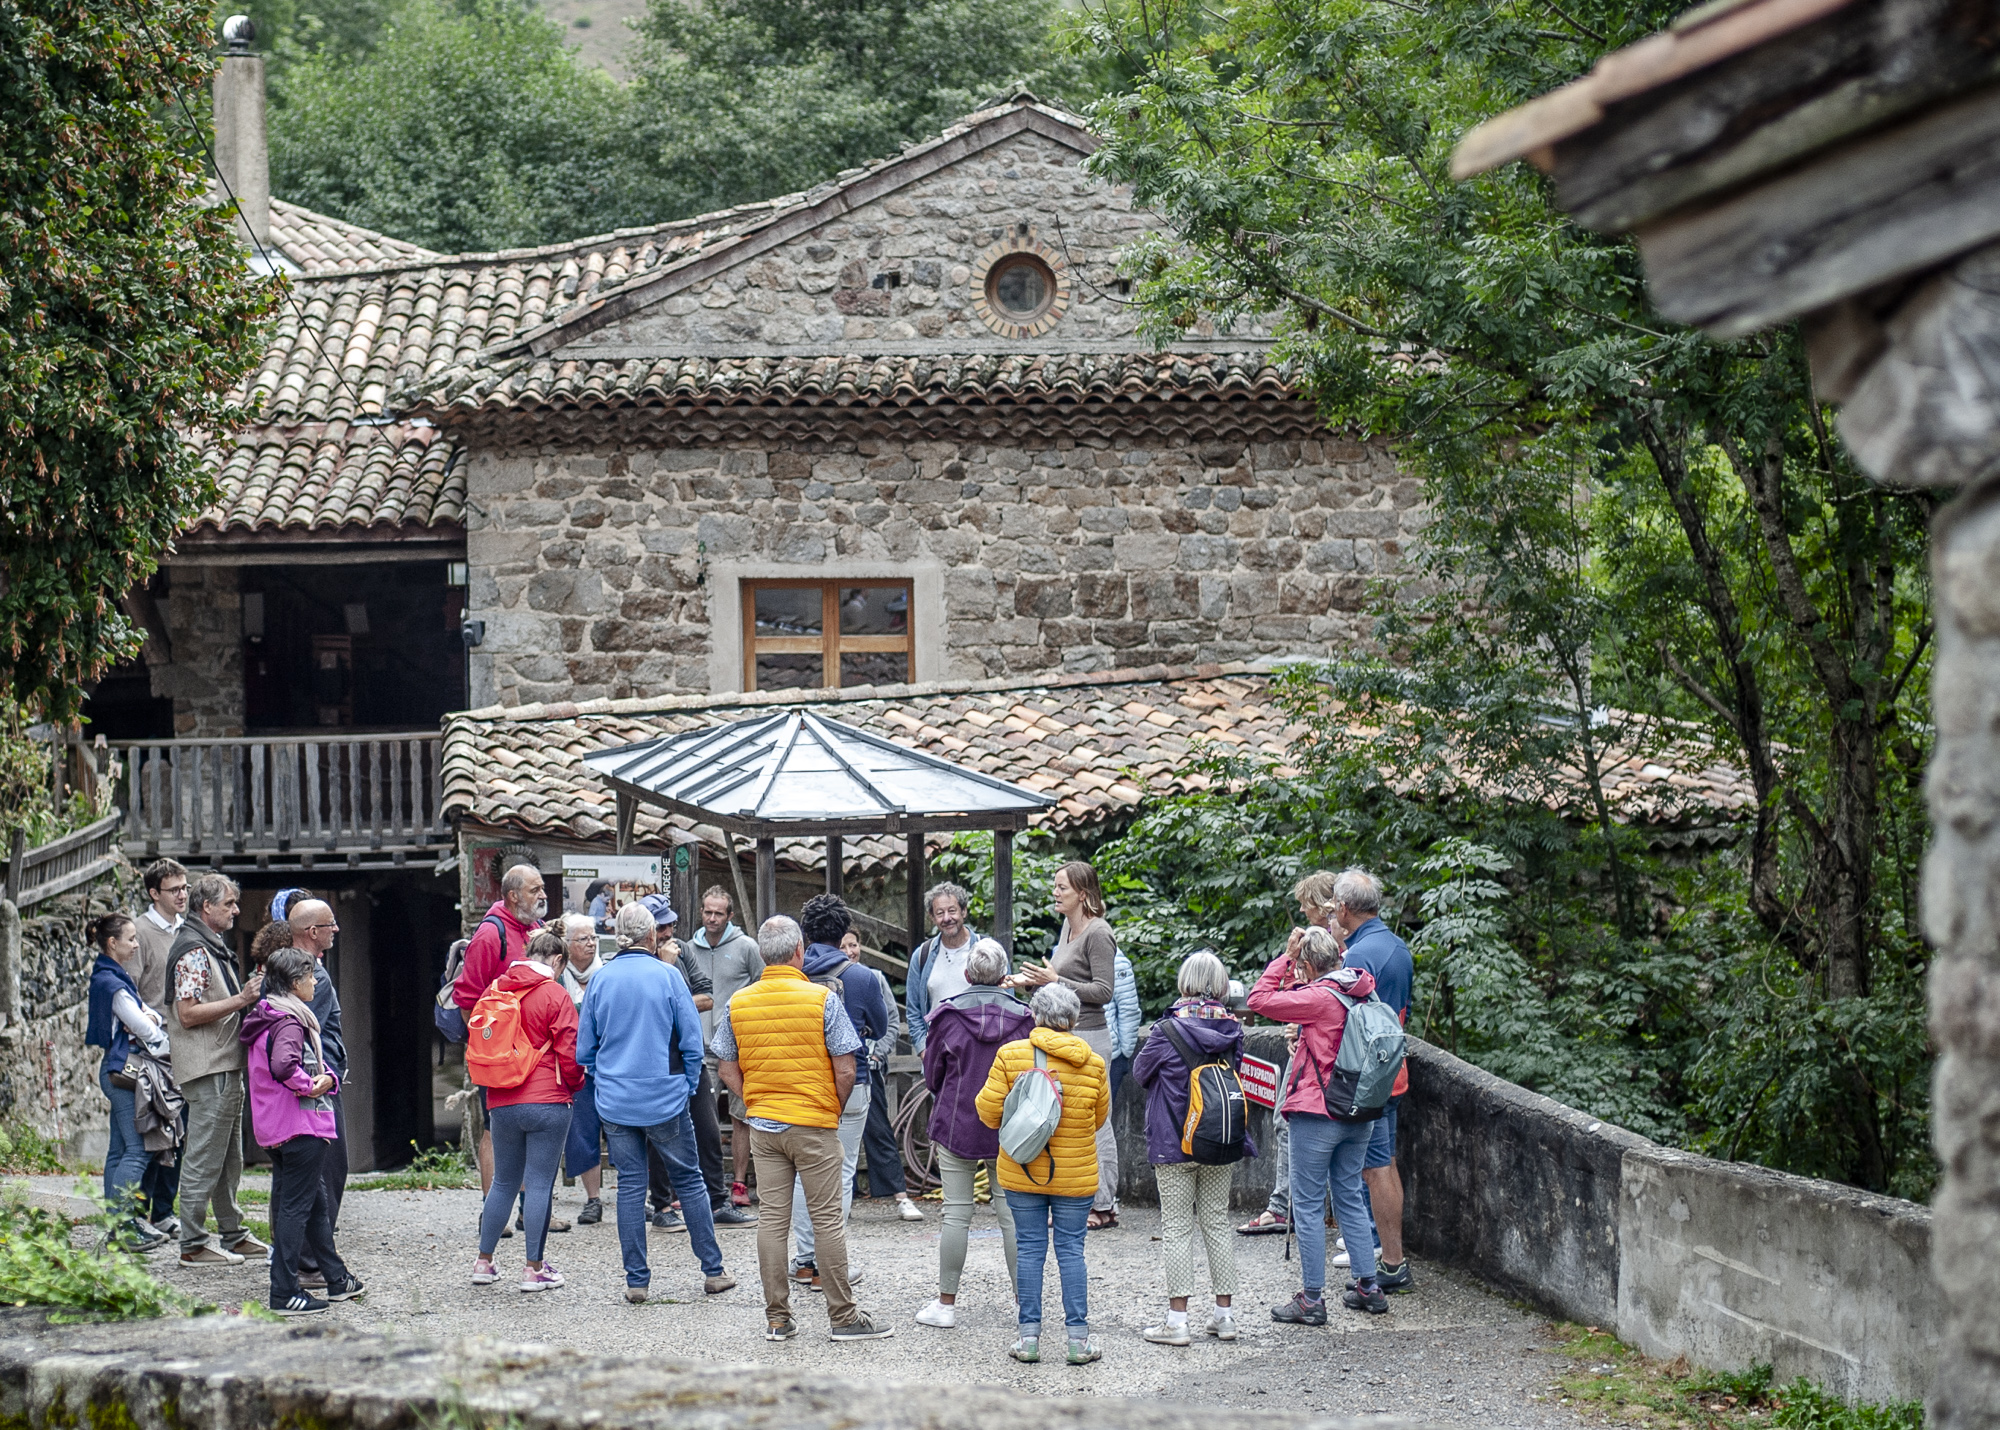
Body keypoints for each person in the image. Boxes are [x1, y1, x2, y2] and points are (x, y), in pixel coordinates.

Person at [712, 914, 893, 1342]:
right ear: (798, 952)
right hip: (813, 1122)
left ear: (761, 954)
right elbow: (847, 1067)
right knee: (827, 1220)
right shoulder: (822, 999)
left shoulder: (739, 1002)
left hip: (765, 1126)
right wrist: (829, 1107)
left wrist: (754, 1100)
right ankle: (843, 1317)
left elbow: (725, 1066)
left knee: (772, 1220)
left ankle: (778, 1319)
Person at [578, 901, 735, 1305]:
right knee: (689, 1179)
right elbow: (690, 1040)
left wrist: (605, 1079)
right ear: (651, 936)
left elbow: (586, 1050)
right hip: (664, 1096)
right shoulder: (668, 976)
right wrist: (683, 1086)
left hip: (615, 1099)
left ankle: (637, 1281)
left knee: (630, 1186)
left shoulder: (600, 979)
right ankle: (713, 1271)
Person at [1248, 925, 1389, 1320]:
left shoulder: (1317, 997)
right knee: (1347, 1194)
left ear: (1308, 966)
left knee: (1307, 1204)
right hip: (1361, 1110)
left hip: (1318, 1111)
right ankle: (1368, 1287)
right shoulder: (1362, 990)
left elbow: (1260, 999)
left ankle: (1311, 1298)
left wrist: (1285, 959)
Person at [975, 984, 1110, 1365]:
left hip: (1022, 1171)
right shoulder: (1094, 1063)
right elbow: (1099, 1120)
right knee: (1071, 1251)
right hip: (1076, 1176)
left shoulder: (1011, 1055)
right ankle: (1078, 1341)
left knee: (1030, 1249)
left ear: (1035, 1015)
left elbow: (987, 1113)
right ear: (1073, 1019)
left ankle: (1029, 1339)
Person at [915, 936, 1030, 1329]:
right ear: (1004, 975)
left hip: (957, 1123)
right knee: (1012, 1218)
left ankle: (946, 1305)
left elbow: (932, 1076)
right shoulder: (1025, 1018)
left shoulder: (947, 1018)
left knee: (956, 1215)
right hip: (1010, 1129)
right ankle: (1024, 1304)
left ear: (966, 973)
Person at [1134, 950, 1248, 1345]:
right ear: (1220, 986)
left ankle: (1177, 1323)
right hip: (1219, 1139)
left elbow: (1139, 1073)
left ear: (1184, 983)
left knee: (1178, 1227)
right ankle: (1225, 1317)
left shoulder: (1166, 1031)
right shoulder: (1233, 1030)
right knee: (1217, 1223)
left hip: (1173, 1141)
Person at [240, 946, 361, 1315]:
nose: (315, 982)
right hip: (300, 1126)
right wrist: (315, 1084)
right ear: (295, 983)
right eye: (310, 977)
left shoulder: (267, 1012)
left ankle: (337, 1279)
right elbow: (284, 1065)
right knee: (295, 1209)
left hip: (274, 1126)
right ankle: (284, 1292)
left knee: (316, 1205)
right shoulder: (291, 1020)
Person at [470, 929, 584, 1293]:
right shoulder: (555, 993)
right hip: (547, 1100)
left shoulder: (496, 990)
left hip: (500, 1099)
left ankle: (484, 1262)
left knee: (504, 1181)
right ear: (556, 961)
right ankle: (534, 1269)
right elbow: (570, 1052)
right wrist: (574, 1085)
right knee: (538, 1183)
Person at [1008, 862, 1120, 1228]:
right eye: (1055, 887)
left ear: (1083, 894)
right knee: (1066, 1119)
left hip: (1090, 1035)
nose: (1055, 893)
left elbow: (1103, 992)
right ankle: (1076, 1197)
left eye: (1062, 888)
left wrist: (1057, 979)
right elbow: (1063, 981)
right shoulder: (1067, 928)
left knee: (1095, 1122)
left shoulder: (1098, 933)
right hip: (1066, 1033)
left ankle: (1104, 1203)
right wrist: (1031, 982)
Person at [788, 894, 892, 1287]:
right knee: (842, 1172)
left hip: (801, 1084)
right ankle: (831, 1265)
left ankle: (804, 1261)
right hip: (853, 1085)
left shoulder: (793, 974)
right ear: (842, 932)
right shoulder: (861, 977)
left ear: (806, 933)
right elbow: (880, 1029)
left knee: (802, 1173)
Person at [167, 873, 267, 1268]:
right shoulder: (194, 950)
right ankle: (192, 1244)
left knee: (228, 1160)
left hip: (221, 1064)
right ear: (206, 907)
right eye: (228, 904)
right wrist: (241, 998)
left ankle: (233, 1234)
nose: (236, 910)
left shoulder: (207, 945)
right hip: (209, 1068)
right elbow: (187, 1014)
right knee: (204, 1158)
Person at [1238, 871, 1345, 1238]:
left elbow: (1264, 999)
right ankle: (1295, 1206)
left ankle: (1290, 1207)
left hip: (1317, 1066)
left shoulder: (1330, 949)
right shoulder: (1332, 955)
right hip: (1313, 1053)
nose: (1301, 910)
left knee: (1291, 1126)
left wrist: (1287, 958)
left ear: (1322, 905)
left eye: (1305, 903)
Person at [1326, 868, 1415, 1292]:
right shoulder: (1397, 947)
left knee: (1374, 1167)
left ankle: (1393, 1264)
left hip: (1366, 1076)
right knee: (1386, 1162)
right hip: (1391, 1068)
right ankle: (1392, 1259)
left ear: (1343, 908)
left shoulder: (1359, 956)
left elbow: (1343, 1020)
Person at [641, 893, 751, 1229]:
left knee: (706, 1128)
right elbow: (649, 1006)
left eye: (671, 923)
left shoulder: (683, 950)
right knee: (659, 1132)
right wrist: (667, 970)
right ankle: (661, 1205)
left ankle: (718, 1202)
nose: (669, 931)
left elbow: (707, 996)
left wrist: (676, 998)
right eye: (662, 926)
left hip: (691, 1054)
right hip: (653, 1061)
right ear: (647, 929)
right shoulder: (636, 960)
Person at [451, 863, 545, 1195]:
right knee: (495, 1129)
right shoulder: (491, 934)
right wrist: (485, 1047)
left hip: (533, 1051)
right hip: (499, 1053)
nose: (543, 896)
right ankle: (495, 1214)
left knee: (534, 1129)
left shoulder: (538, 928)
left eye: (542, 888)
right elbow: (465, 999)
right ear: (512, 895)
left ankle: (532, 1212)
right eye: (535, 890)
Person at [85, 913, 172, 1248]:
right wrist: (153, 1024)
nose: (136, 944)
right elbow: (147, 1027)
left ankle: (116, 1224)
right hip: (125, 1072)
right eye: (132, 939)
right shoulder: (114, 983)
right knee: (137, 1150)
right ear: (113, 943)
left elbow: (141, 1015)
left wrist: (146, 1015)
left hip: (114, 1069)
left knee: (118, 1150)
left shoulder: (108, 976)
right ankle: (122, 1228)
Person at [286, 898, 349, 1286]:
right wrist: (323, 1077)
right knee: (329, 1170)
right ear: (313, 932)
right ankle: (310, 1263)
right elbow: (309, 1032)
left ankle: (301, 1257)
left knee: (305, 1175)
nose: (336, 929)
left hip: (309, 1081)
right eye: (330, 924)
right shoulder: (313, 977)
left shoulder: (287, 966)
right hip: (318, 1083)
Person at [688, 886, 763, 1209]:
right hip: (700, 1046)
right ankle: (702, 1183)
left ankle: (739, 1183)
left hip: (738, 1047)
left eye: (719, 913)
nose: (712, 918)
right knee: (697, 1117)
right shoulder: (689, 949)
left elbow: (763, 986)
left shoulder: (747, 947)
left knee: (740, 1115)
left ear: (731, 916)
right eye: (708, 911)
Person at [847, 928, 924, 1221]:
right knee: (837, 1139)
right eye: (843, 946)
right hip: (835, 1068)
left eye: (853, 944)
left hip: (869, 1065)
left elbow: (891, 1021)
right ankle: (845, 1199)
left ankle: (901, 1197)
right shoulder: (828, 980)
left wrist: (879, 1052)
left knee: (879, 1131)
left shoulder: (874, 978)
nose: (849, 951)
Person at [133, 858, 188, 1234]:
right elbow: (130, 991)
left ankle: (165, 1212)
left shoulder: (187, 929)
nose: (183, 895)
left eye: (185, 888)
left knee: (180, 1133)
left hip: (186, 1044)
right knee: (154, 1132)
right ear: (155, 893)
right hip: (153, 1049)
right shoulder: (139, 932)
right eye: (174, 890)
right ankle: (142, 1213)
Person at [557, 913, 606, 1224]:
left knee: (624, 1134)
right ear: (567, 945)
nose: (590, 944)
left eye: (593, 938)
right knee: (584, 1134)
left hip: (611, 1068)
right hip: (576, 1070)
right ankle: (593, 1200)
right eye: (583, 939)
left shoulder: (608, 973)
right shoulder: (558, 977)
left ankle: (633, 1195)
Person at [905, 882, 981, 1055]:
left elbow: (1005, 1001)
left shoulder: (987, 950)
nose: (947, 918)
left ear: (964, 911)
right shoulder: (922, 955)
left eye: (952, 911)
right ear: (932, 917)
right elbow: (913, 1010)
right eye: (940, 913)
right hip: (938, 1053)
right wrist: (924, 1051)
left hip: (979, 1051)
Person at [1108, 948, 1142, 1102]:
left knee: (1102, 1121)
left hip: (1110, 1057)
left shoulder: (1115, 959)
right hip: (1067, 1051)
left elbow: (1129, 1010)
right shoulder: (1061, 952)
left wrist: (1123, 1055)